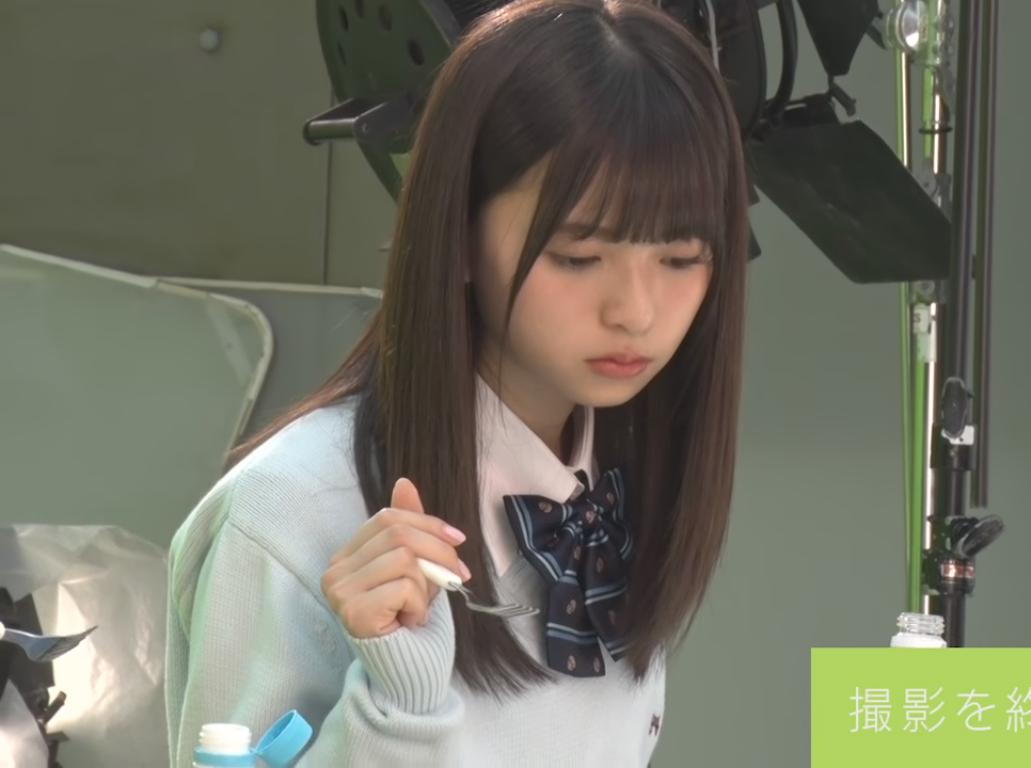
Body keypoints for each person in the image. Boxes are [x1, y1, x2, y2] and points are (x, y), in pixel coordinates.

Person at [163, 0, 749, 763]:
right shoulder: (288, 513)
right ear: (460, 235)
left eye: (680, 258)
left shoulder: (615, 488)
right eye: (578, 256)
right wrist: (400, 706)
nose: (636, 311)